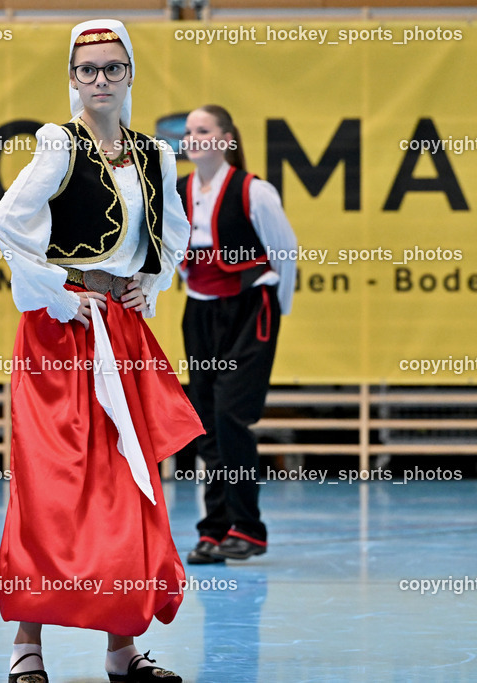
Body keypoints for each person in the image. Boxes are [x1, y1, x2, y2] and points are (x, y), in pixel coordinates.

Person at [0, 20, 205, 683]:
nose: (101, 80)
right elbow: (7, 224)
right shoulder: (58, 144)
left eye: (113, 68)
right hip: (63, 333)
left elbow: (174, 232)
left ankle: (122, 648)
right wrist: (58, 292)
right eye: (88, 70)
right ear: (72, 78)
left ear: (130, 74)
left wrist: (151, 280)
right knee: (52, 484)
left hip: (124, 329)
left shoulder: (155, 155)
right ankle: (29, 641)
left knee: (127, 487)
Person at [177, 105, 297, 564]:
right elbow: (169, 254)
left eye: (203, 130)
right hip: (201, 312)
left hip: (251, 310)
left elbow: (285, 254)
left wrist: (276, 310)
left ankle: (247, 527)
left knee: (231, 416)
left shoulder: (254, 191)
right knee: (206, 422)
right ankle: (215, 529)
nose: (193, 138)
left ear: (226, 139)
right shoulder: (178, 191)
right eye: (188, 131)